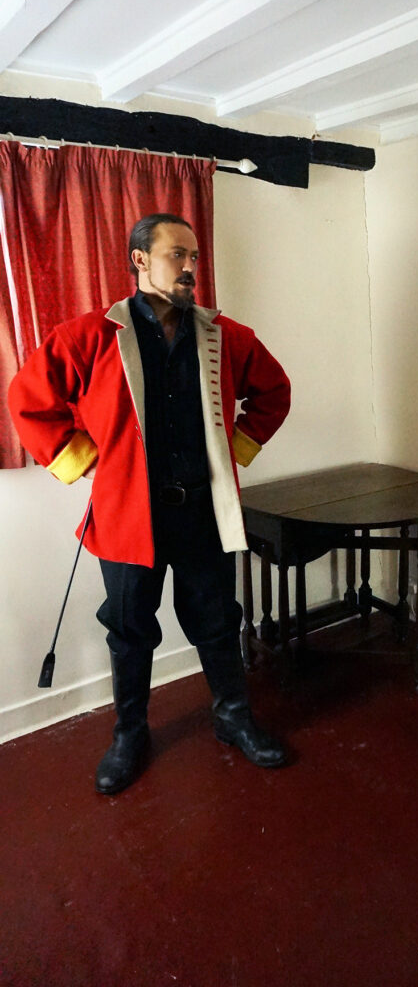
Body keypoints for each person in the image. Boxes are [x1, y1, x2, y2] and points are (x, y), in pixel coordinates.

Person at [9, 213, 291, 794]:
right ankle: (129, 734)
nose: (190, 267)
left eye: (194, 256)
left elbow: (274, 392)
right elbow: (29, 400)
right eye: (176, 254)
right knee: (129, 628)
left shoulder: (226, 335)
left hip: (203, 514)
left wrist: (235, 449)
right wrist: (85, 461)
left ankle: (233, 717)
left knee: (217, 621)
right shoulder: (89, 335)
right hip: (126, 517)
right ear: (139, 260)